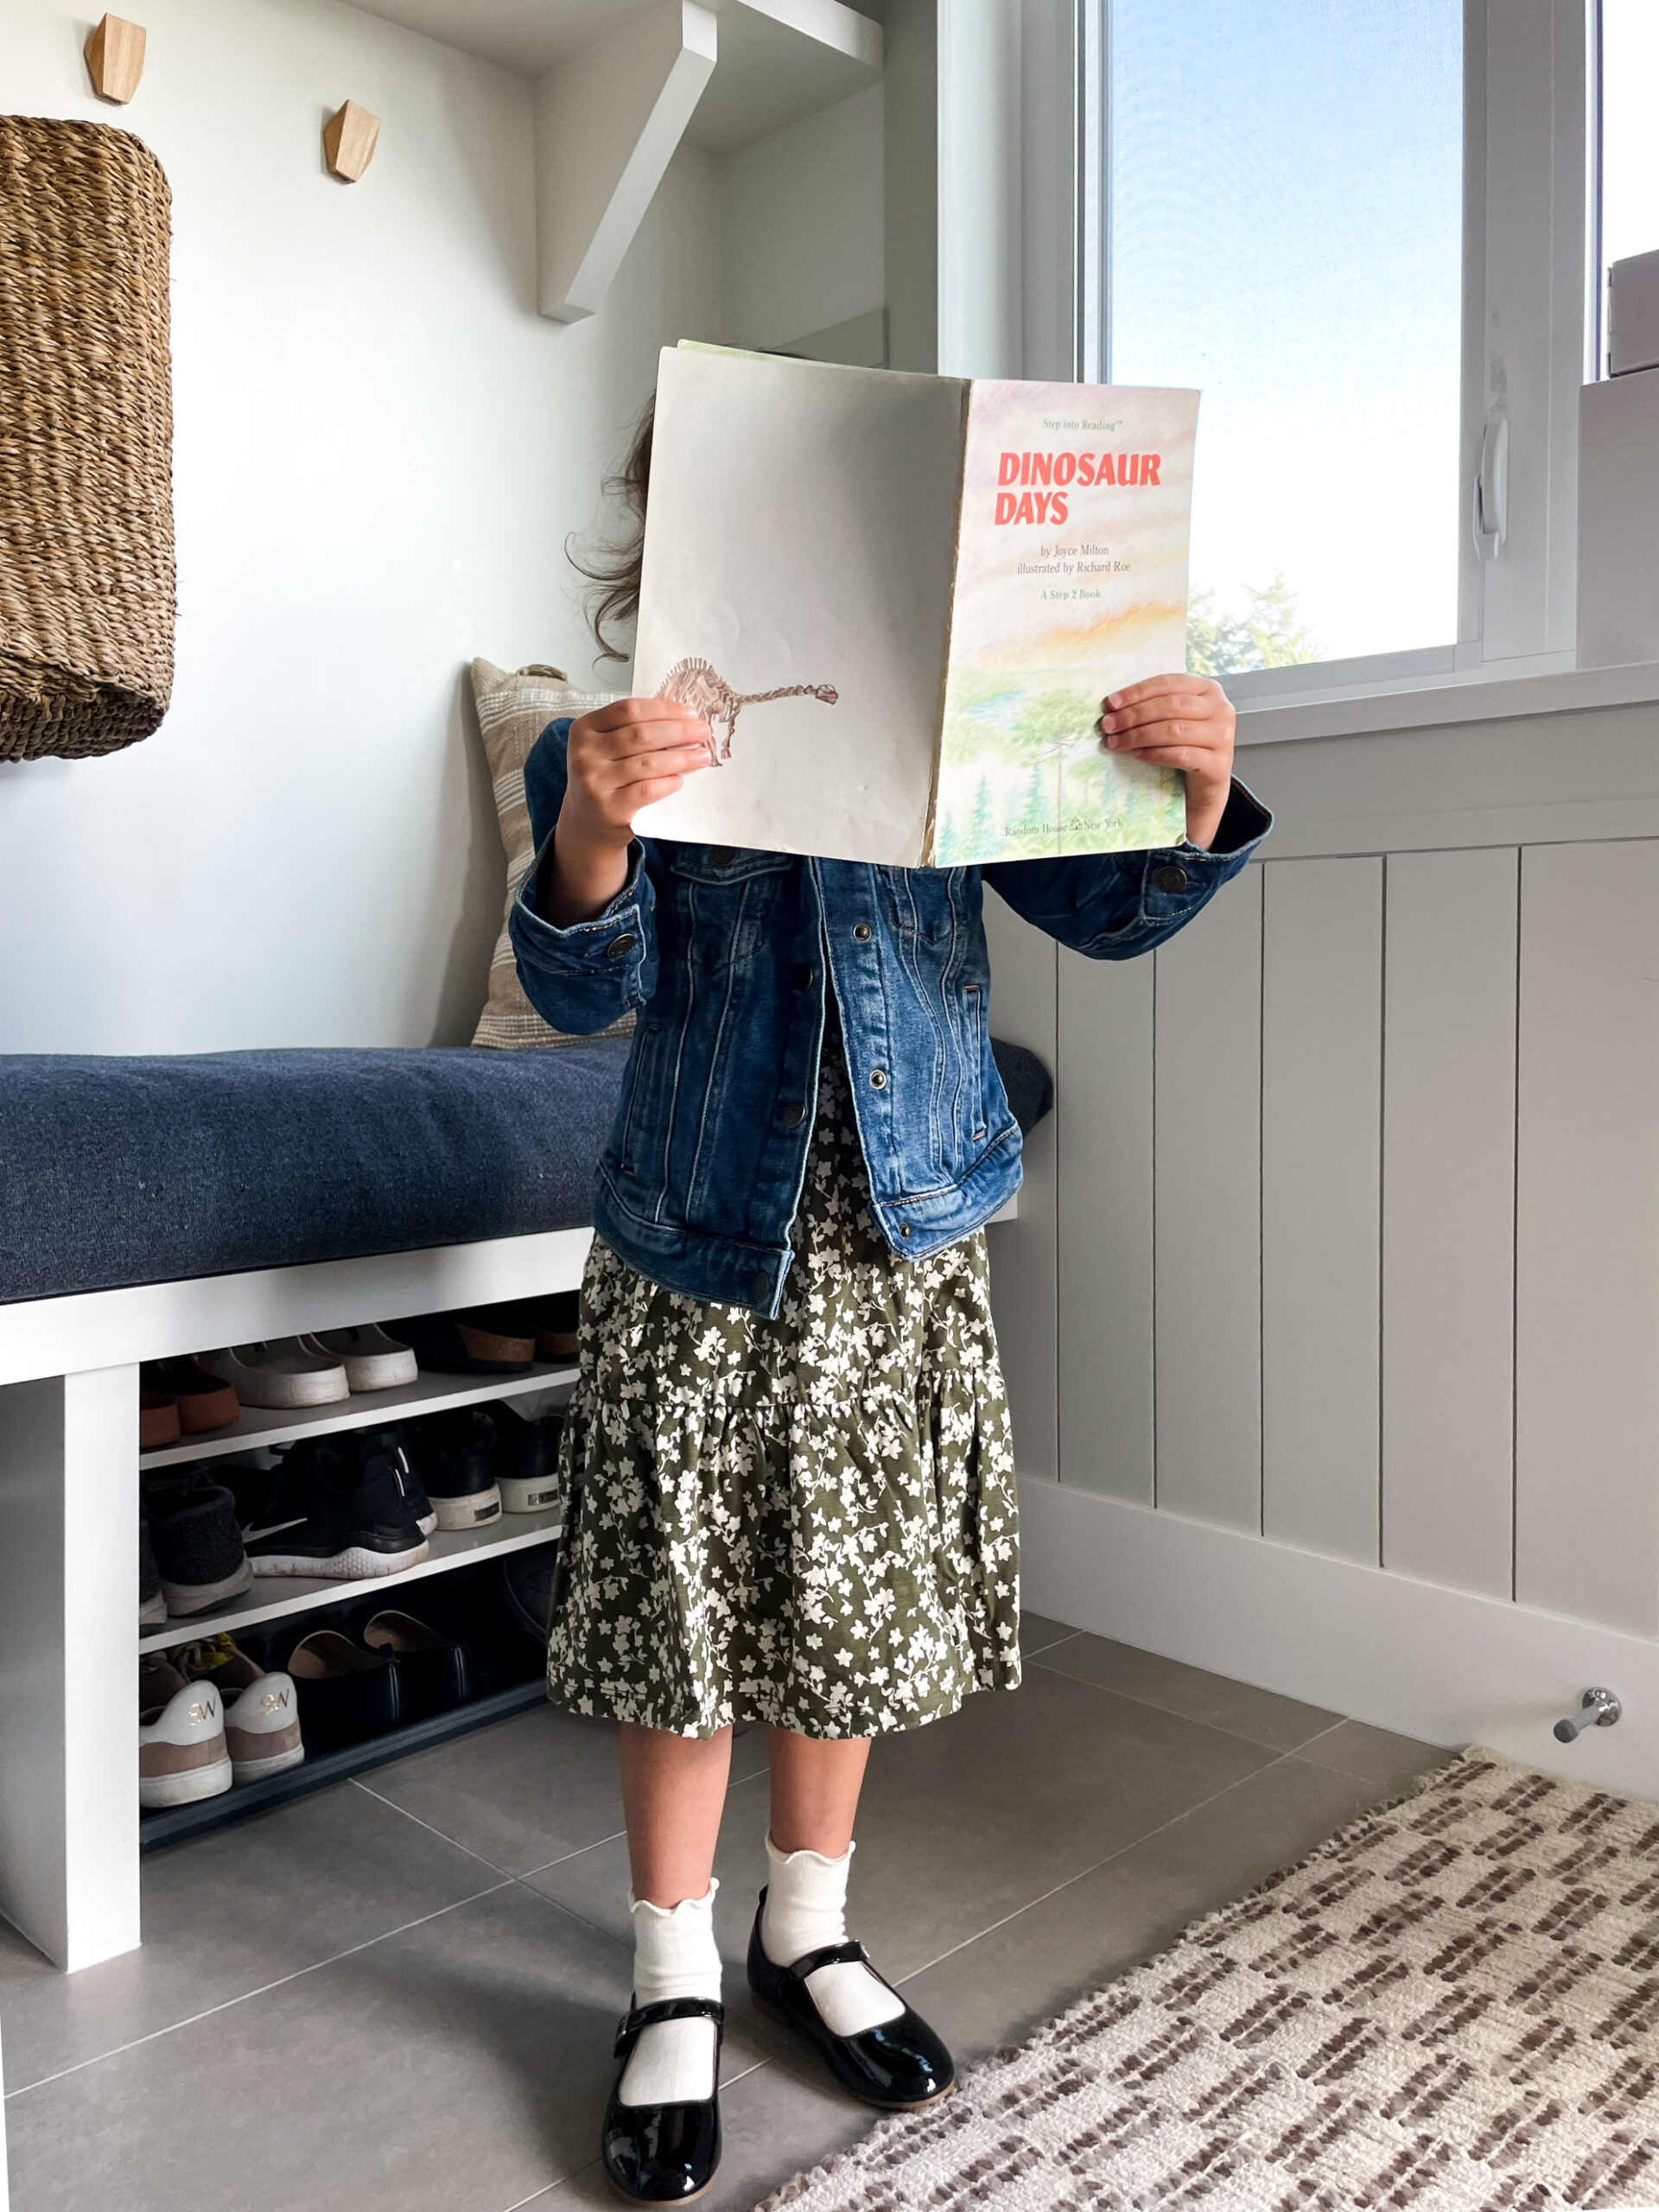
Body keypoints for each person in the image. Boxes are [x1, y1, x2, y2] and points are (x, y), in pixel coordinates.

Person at [509, 405, 1271, 2205]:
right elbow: (573, 982)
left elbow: (1108, 905)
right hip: (701, 1223)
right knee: (690, 1602)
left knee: (846, 1593)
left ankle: (810, 1925)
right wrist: (597, 828)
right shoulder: (617, 743)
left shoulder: (966, 727)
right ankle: (671, 1965)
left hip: (900, 1228)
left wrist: (1198, 787)